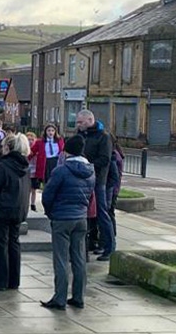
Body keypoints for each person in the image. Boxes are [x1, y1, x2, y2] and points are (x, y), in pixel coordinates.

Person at [41, 135, 95, 310]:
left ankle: (60, 298)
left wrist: (51, 213)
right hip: (81, 217)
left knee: (61, 259)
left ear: (66, 152)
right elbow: (90, 194)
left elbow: (48, 195)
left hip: (62, 218)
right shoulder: (91, 170)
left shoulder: (61, 170)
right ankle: (78, 297)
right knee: (79, 259)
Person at [0, 132, 31, 291]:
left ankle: (0, 280)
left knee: (1, 245)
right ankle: (13, 280)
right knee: (13, 244)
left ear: (8, 148)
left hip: (2, 210)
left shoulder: (3, 166)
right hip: (18, 210)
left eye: (2, 146)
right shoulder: (25, 166)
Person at [76, 109, 114, 261]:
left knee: (102, 214)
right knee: (87, 215)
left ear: (90, 120)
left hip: (98, 181)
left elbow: (105, 159)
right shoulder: (81, 135)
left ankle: (109, 247)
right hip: (83, 180)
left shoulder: (103, 137)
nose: (78, 125)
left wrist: (87, 165)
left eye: (80, 122)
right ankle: (89, 244)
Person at [25, 131, 42, 212]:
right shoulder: (25, 150)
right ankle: (26, 203)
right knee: (27, 189)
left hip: (35, 171)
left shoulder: (37, 150)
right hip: (27, 171)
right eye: (28, 139)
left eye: (32, 139)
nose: (30, 141)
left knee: (34, 189)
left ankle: (33, 204)